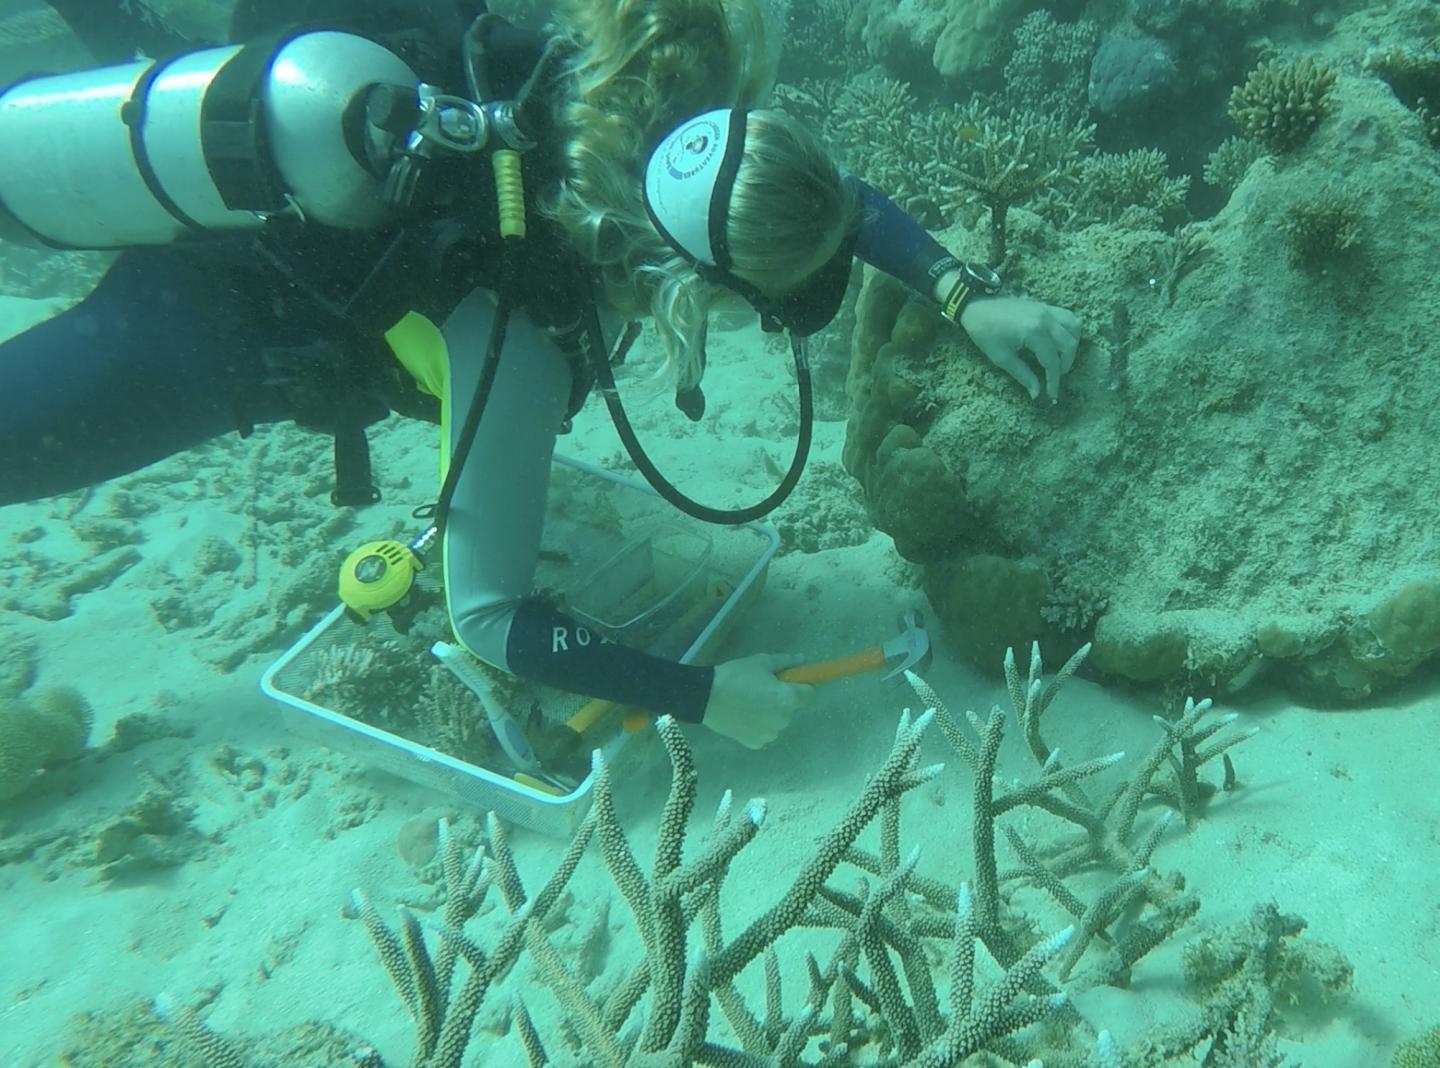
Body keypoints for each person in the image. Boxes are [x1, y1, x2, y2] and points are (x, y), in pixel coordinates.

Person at [0, 0, 1080, 749]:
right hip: (207, 325)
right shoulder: (511, 328)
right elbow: (491, 618)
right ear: (681, 283)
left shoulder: (666, 94)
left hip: (276, 100)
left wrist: (962, 289)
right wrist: (697, 694)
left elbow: (827, 196)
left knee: (132, 69)